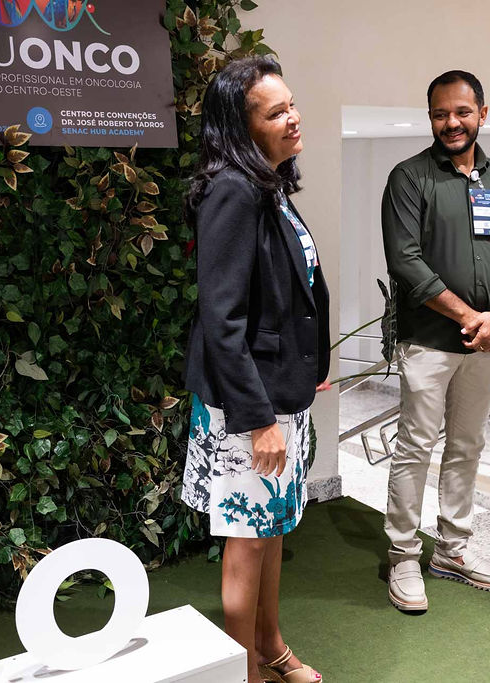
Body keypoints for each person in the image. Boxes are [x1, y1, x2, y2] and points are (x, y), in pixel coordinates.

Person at [181, 56, 330, 683]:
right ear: (242, 129)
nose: (293, 118)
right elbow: (222, 319)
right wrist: (258, 418)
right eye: (276, 113)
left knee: (271, 532)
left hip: (278, 394)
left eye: (291, 104)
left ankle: (270, 648)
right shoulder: (233, 190)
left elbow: (293, 291)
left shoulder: (269, 184)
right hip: (248, 404)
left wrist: (309, 365)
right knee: (247, 541)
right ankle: (242, 674)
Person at [381, 70, 490, 612]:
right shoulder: (409, 177)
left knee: (467, 446)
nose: (452, 123)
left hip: (487, 343)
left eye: (462, 112)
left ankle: (453, 550)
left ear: (482, 114)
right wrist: (472, 316)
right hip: (428, 342)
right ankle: (402, 555)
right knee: (415, 448)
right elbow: (406, 262)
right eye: (440, 113)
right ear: (430, 118)